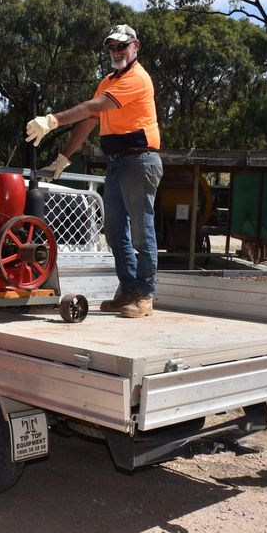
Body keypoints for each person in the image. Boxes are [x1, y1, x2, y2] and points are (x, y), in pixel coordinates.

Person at [26, 23, 162, 319]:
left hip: (140, 161)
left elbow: (95, 105)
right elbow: (89, 119)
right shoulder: (109, 80)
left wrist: (52, 120)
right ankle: (128, 290)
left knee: (142, 232)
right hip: (116, 162)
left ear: (135, 46)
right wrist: (63, 157)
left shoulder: (137, 79)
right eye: (111, 47)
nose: (116, 51)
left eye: (121, 46)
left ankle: (144, 295)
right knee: (114, 232)